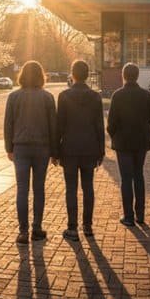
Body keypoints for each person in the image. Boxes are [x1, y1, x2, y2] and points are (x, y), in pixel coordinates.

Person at [3, 60, 58, 244]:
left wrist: (9, 148)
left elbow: (8, 124)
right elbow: (53, 127)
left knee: (22, 189)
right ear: (41, 76)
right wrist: (54, 152)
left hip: (20, 147)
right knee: (39, 189)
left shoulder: (14, 97)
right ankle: (37, 228)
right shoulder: (47, 97)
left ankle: (23, 231)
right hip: (42, 148)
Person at [56, 60, 105, 240]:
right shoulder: (95, 97)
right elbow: (99, 125)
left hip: (69, 148)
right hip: (90, 147)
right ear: (87, 75)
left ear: (73, 74)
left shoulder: (64, 96)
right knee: (88, 187)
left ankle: (72, 227)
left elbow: (59, 126)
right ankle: (88, 225)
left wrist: (55, 151)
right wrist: (101, 151)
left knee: (71, 188)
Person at [106, 62, 150, 227]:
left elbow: (111, 122)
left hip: (123, 142)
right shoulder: (146, 95)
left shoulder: (117, 95)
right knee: (139, 176)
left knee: (126, 179)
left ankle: (128, 216)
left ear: (123, 75)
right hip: (141, 141)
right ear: (137, 76)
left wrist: (114, 135)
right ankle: (140, 214)